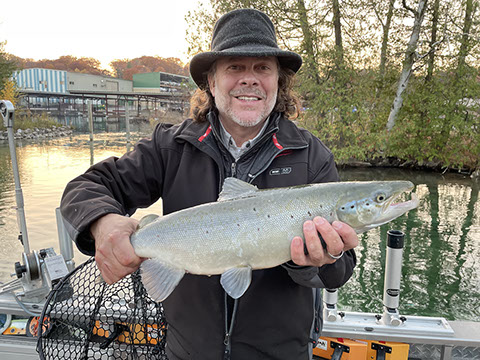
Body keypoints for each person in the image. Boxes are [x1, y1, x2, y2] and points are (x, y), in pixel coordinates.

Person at [60, 8, 358, 360]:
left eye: (262, 67)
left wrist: (316, 261)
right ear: (211, 82)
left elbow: (339, 270)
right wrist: (102, 222)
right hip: (185, 352)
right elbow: (85, 187)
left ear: (279, 82)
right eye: (235, 67)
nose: (250, 79)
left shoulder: (311, 156)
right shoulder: (169, 146)